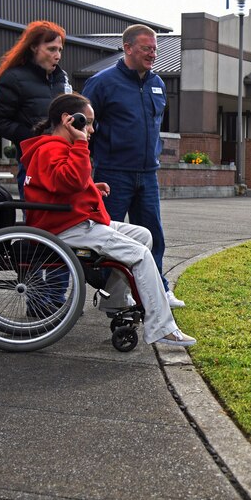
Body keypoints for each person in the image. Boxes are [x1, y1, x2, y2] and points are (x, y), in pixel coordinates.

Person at [20, 93, 196, 347]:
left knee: (143, 235)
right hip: (69, 227)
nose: (91, 130)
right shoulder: (52, 148)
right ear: (69, 120)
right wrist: (81, 145)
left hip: (71, 221)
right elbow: (70, 181)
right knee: (140, 255)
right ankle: (162, 328)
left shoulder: (54, 148)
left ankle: (115, 302)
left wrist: (91, 187)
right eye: (87, 123)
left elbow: (62, 185)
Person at [82, 24, 184, 308]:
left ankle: (158, 291)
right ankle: (110, 293)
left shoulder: (158, 83)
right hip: (113, 173)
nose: (152, 54)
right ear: (128, 48)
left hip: (147, 174)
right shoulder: (102, 83)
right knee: (109, 238)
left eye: (154, 49)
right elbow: (82, 128)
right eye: (146, 48)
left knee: (153, 234)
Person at [0, 20, 73, 198]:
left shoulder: (61, 79)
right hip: (33, 164)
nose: (57, 55)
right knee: (37, 222)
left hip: (64, 162)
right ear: (34, 47)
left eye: (60, 50)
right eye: (51, 49)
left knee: (64, 222)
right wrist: (33, 136)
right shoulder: (13, 78)